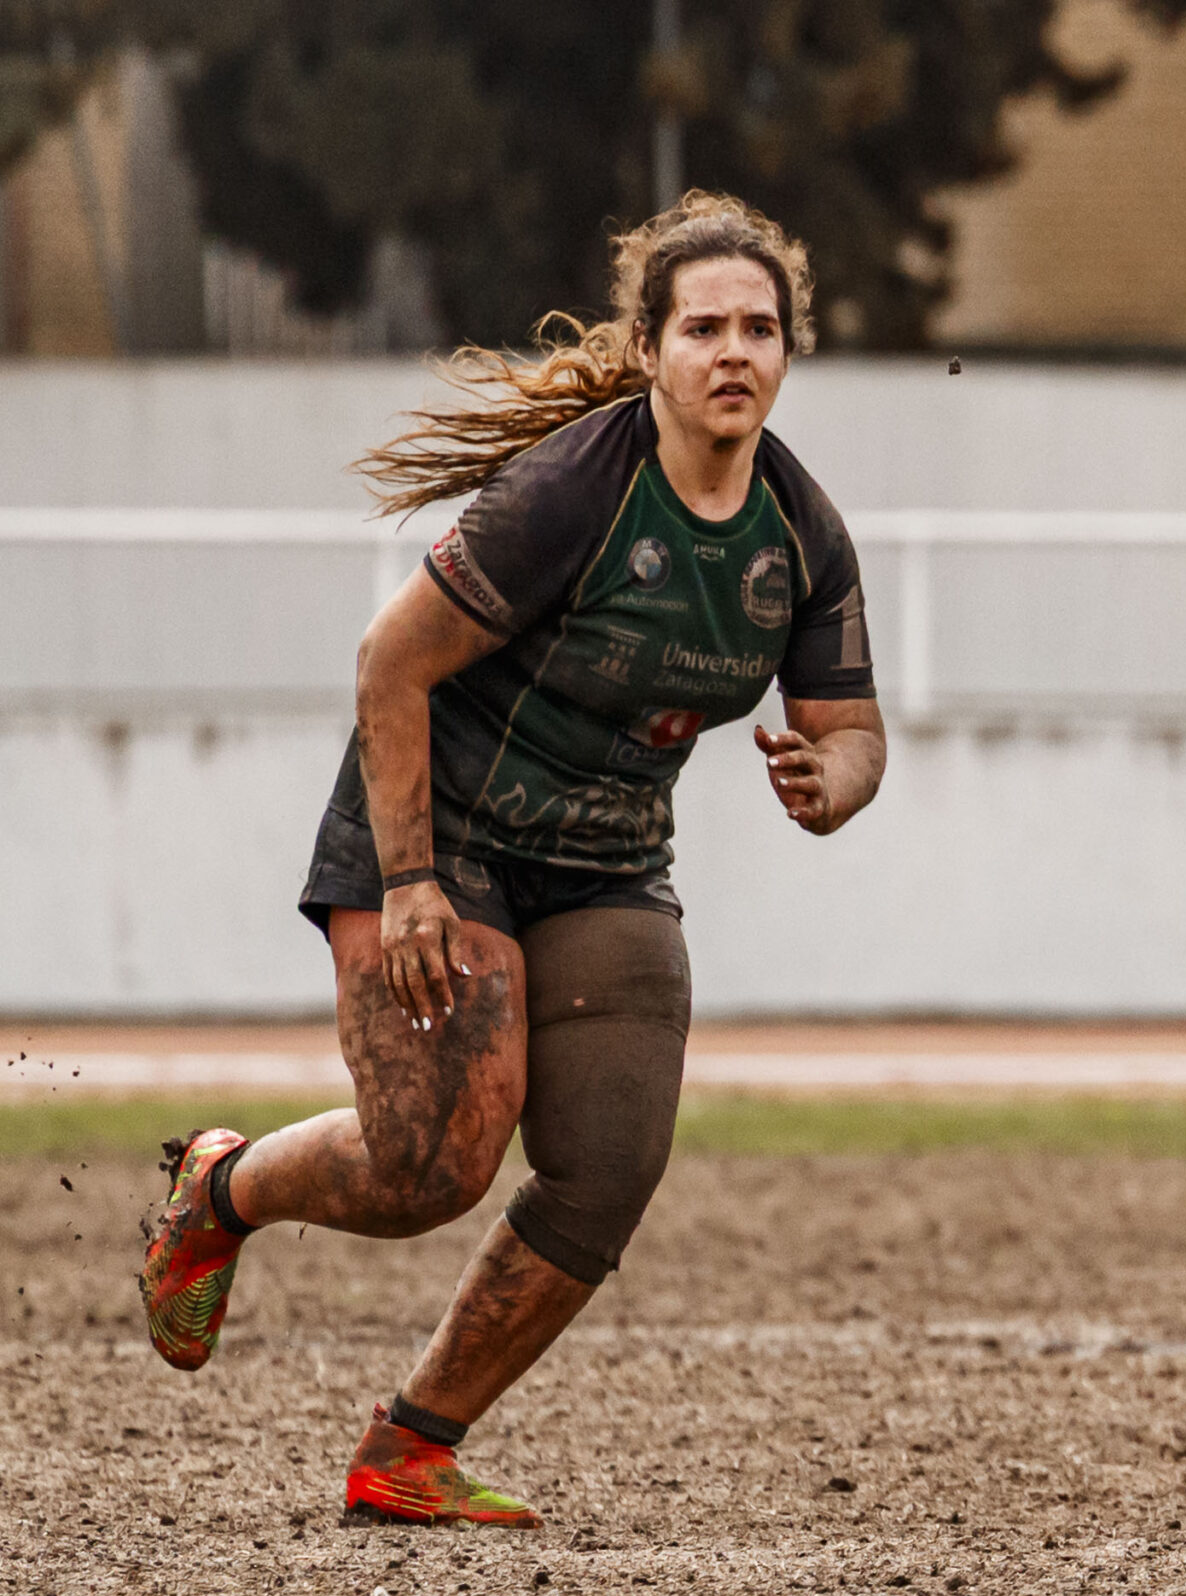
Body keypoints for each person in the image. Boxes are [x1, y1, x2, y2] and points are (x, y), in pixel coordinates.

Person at [138, 192, 885, 1527]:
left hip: (604, 862)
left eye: (760, 329)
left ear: (788, 352)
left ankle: (409, 1449)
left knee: (608, 1166)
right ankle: (221, 1188)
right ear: (649, 347)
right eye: (703, 325)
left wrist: (835, 782)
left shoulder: (799, 534)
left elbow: (855, 735)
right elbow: (391, 663)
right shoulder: (571, 492)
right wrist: (411, 878)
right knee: (436, 1162)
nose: (735, 352)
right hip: (438, 836)